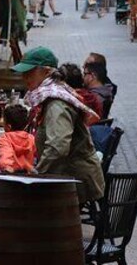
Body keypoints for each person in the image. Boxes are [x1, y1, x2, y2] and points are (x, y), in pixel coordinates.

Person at [13, 46, 104, 203]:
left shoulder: (56, 103)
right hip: (65, 176)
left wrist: (36, 174)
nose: (25, 77)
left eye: (30, 72)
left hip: (76, 180)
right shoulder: (50, 95)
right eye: (23, 73)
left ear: (47, 72)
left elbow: (57, 147)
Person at [0, 104, 37, 173]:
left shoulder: (4, 138)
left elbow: (5, 154)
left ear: (9, 126)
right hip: (27, 174)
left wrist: (7, 166)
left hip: (10, 175)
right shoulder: (31, 138)